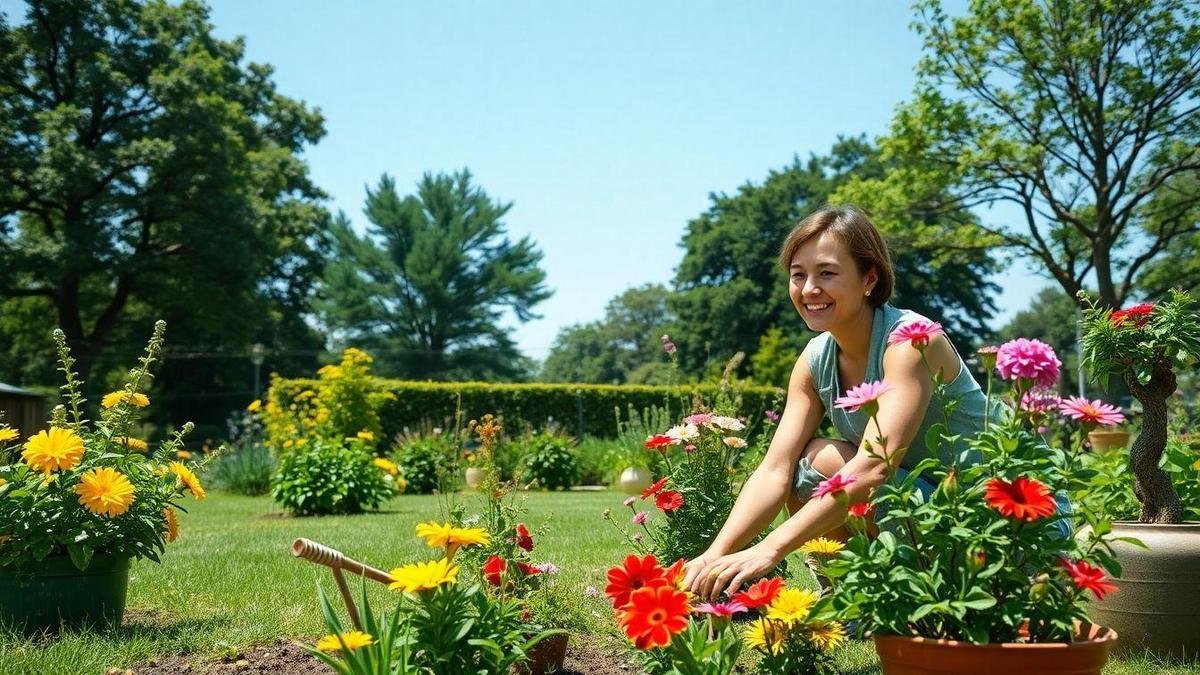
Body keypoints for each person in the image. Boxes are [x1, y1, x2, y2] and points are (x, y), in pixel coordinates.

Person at [682, 204, 992, 601]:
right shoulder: (814, 361)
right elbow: (774, 470)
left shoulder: (912, 341)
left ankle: (907, 596)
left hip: (987, 516)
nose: (809, 288)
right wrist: (715, 553)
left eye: (827, 273)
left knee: (826, 462)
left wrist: (769, 548)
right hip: (915, 507)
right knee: (809, 463)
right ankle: (852, 599)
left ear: (869, 279)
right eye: (798, 275)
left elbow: (875, 467)